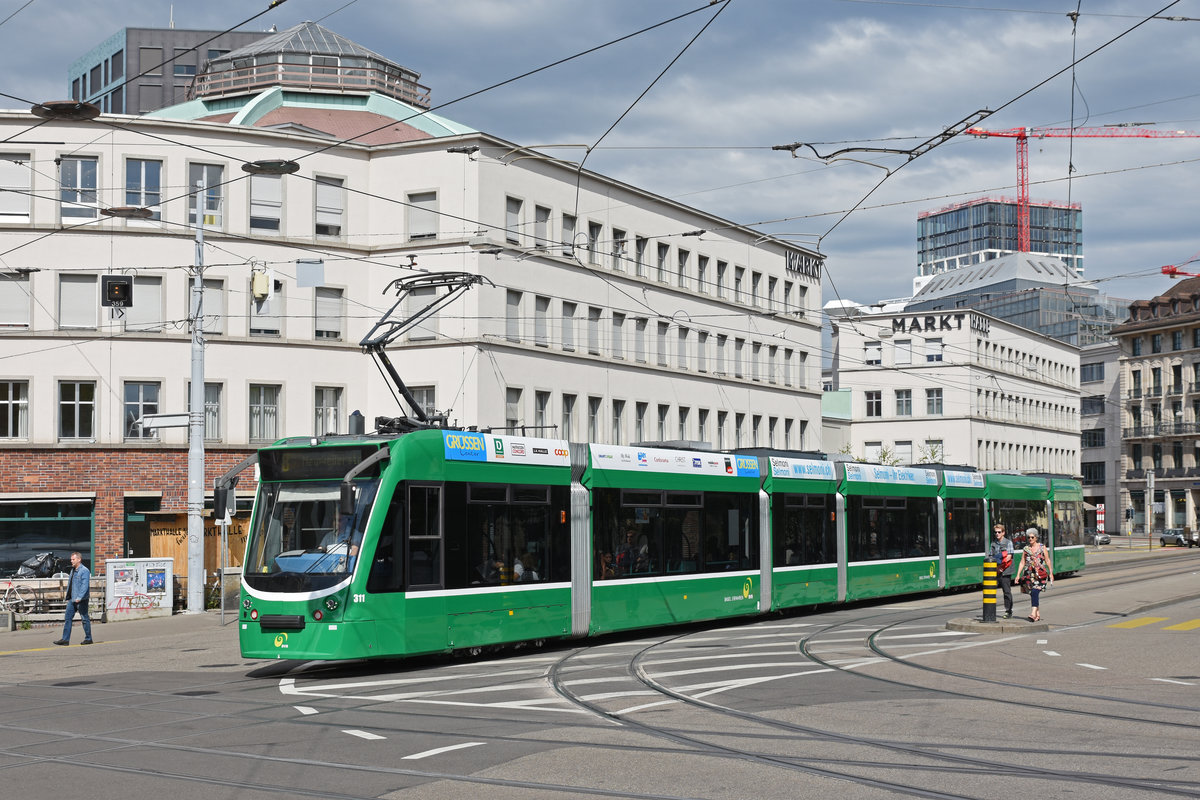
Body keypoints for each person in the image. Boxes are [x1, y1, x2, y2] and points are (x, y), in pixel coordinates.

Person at [1014, 528, 1054, 622]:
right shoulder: (1026, 549)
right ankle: (1037, 614)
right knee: (1033, 593)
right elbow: (1022, 562)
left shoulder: (1042, 547)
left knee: (1035, 592)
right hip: (1029, 575)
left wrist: (1051, 573)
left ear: (1036, 538)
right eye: (1028, 537)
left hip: (1040, 575)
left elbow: (1047, 560)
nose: (1030, 539)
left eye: (1032, 537)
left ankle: (1032, 613)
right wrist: (1017, 575)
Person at [54, 551, 93, 646]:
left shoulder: (84, 570)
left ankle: (89, 638)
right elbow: (71, 584)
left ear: (79, 559)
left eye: (73, 559)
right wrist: (69, 596)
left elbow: (85, 586)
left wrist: (79, 597)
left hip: (81, 599)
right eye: (71, 559)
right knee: (67, 618)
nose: (71, 561)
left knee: (84, 618)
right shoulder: (73, 570)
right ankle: (65, 639)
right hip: (72, 599)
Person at [989, 523, 1015, 619]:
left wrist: (1001, 567)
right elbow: (990, 557)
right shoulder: (993, 543)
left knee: (1006, 591)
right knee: (990, 591)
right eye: (995, 532)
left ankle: (1008, 611)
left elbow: (1009, 557)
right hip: (996, 570)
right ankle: (990, 611)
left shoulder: (1008, 542)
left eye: (999, 532)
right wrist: (996, 567)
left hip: (1005, 571)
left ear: (1003, 532)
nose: (997, 534)